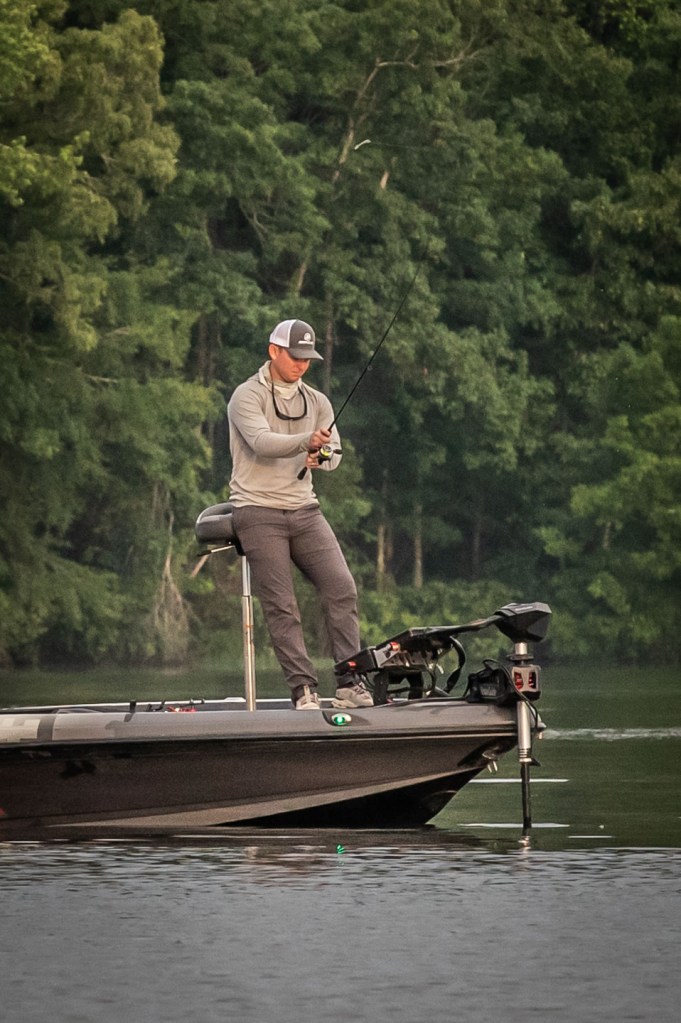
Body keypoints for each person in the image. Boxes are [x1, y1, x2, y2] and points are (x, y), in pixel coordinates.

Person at [227, 318, 373, 711]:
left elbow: (334, 454)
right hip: (256, 509)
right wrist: (305, 441)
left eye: (307, 358)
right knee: (283, 603)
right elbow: (261, 442)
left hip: (305, 510)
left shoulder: (318, 401)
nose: (301, 364)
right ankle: (303, 689)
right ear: (273, 351)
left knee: (342, 587)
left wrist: (320, 455)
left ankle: (350, 681)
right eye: (294, 356)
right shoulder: (246, 396)